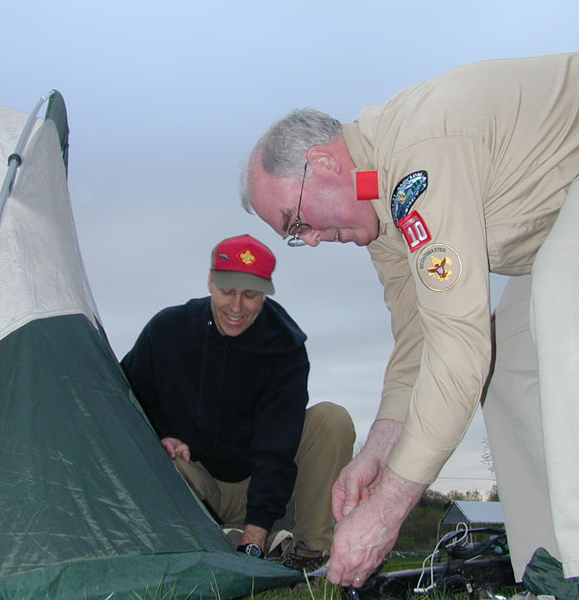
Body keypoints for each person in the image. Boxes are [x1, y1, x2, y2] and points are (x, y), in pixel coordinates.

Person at [240, 53, 579, 588]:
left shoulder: (415, 162)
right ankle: (551, 572)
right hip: (560, 215)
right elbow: (418, 346)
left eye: (296, 220)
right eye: (292, 234)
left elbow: (458, 349)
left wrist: (389, 509)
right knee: (510, 367)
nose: (306, 240)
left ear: (322, 163)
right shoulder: (382, 213)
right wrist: (377, 454)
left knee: (563, 323)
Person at [121, 234, 355, 570]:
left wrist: (256, 532)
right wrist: (159, 434)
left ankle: (310, 553)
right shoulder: (166, 330)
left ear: (266, 292)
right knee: (152, 453)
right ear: (210, 281)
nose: (236, 306)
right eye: (227, 291)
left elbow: (278, 443)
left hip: (258, 481)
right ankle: (188, 548)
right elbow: (124, 401)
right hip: (195, 479)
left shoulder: (285, 346)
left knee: (333, 419)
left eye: (250, 295)